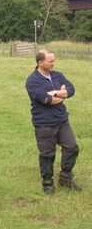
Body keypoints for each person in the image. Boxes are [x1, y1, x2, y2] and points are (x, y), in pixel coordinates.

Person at [25, 49, 81, 194]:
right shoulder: (33, 81)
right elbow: (46, 100)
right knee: (48, 154)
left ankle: (65, 178)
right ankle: (47, 183)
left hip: (62, 120)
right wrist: (62, 95)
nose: (53, 64)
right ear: (40, 63)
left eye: (53, 61)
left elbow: (71, 90)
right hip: (44, 123)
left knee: (72, 147)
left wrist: (55, 92)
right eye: (50, 61)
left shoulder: (57, 75)